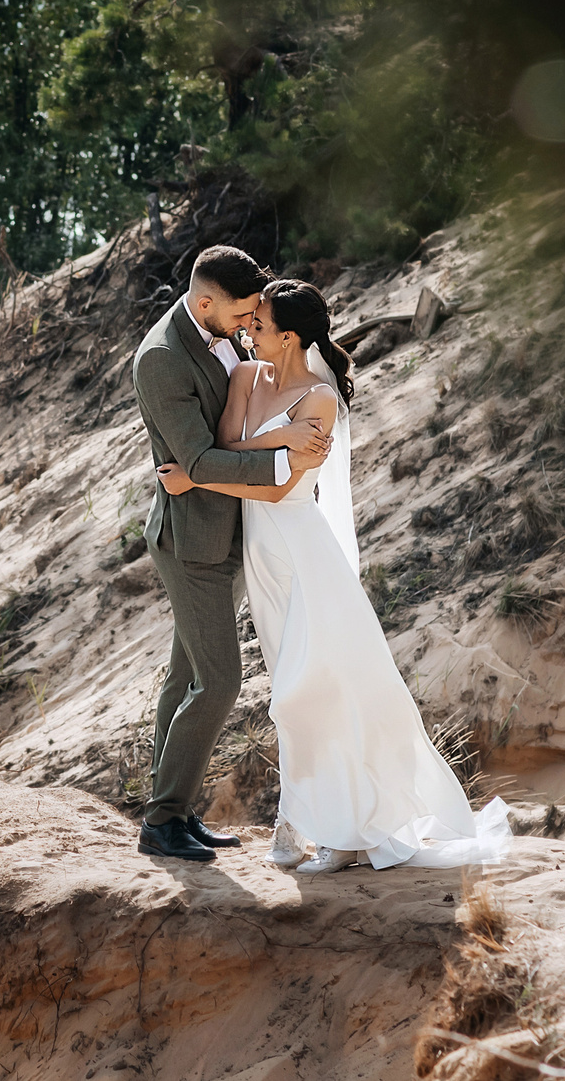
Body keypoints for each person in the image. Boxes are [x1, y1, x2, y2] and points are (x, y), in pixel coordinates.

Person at [158, 278, 510, 872]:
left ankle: (335, 834)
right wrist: (273, 440)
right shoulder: (245, 377)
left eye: (261, 326)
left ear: (290, 337)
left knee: (305, 694)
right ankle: (309, 828)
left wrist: (197, 478)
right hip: (263, 563)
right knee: (294, 691)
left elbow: (276, 482)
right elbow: (225, 447)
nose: (249, 331)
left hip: (303, 558)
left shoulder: (319, 399)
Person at [128, 246, 330, 862]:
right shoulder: (163, 360)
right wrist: (284, 457)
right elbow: (196, 463)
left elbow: (231, 426)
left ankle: (175, 813)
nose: (250, 326)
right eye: (243, 315)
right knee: (219, 682)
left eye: (255, 317)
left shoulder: (220, 332)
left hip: (230, 532)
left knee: (186, 678)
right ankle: (162, 823)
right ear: (207, 301)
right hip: (192, 543)